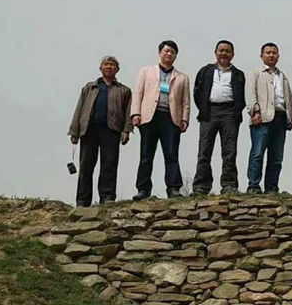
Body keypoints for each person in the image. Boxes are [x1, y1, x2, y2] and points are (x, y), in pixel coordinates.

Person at [68, 56, 132, 207]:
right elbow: (79, 108)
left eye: (112, 65)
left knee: (109, 164)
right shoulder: (90, 87)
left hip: (111, 130)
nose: (109, 67)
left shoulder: (123, 90)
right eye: (106, 64)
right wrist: (74, 131)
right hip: (89, 129)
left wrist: (126, 131)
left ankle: (107, 197)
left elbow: (128, 112)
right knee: (86, 165)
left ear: (117, 69)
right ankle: (83, 200)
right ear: (100, 68)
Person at [131, 40, 191, 201]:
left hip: (171, 118)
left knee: (171, 154)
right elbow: (138, 93)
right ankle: (143, 189)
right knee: (146, 155)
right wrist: (135, 113)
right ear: (160, 53)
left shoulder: (182, 78)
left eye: (173, 52)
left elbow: (185, 101)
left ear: (176, 56)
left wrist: (185, 119)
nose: (169, 54)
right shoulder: (146, 71)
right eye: (166, 51)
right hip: (149, 116)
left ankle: (173, 188)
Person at [192, 40, 246, 195]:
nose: (224, 54)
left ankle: (229, 185)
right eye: (221, 50)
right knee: (204, 150)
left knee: (229, 151)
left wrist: (236, 111)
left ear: (233, 54)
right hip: (209, 112)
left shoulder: (238, 74)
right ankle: (201, 186)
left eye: (227, 51)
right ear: (215, 53)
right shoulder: (205, 71)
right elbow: (197, 92)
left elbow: (241, 97)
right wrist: (203, 108)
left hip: (230, 113)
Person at [245, 43, 292, 194]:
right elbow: (250, 93)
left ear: (278, 56)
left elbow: (288, 97)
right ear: (262, 55)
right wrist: (254, 111)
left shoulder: (282, 76)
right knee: (257, 153)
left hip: (280, 118)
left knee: (276, 156)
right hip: (262, 118)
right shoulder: (255, 73)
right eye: (268, 53)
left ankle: (272, 187)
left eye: (274, 53)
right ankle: (254, 185)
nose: (271, 55)